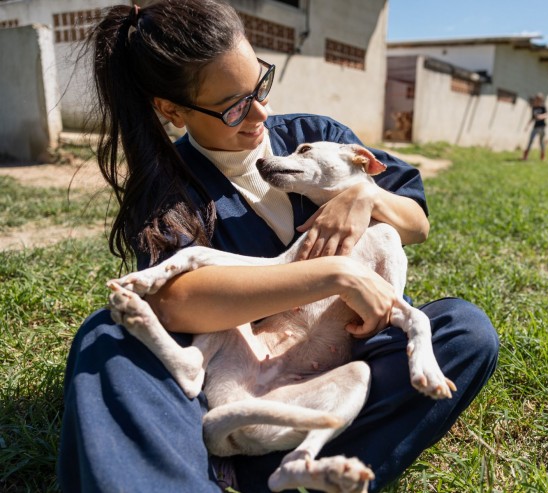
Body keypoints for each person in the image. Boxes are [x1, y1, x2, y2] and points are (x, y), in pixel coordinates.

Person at [56, 1, 499, 491]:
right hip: (235, 377)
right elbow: (176, 301)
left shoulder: (314, 136)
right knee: (108, 338)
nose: (261, 113)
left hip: (339, 362)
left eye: (259, 87)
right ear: (171, 109)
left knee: (464, 332)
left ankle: (273, 476)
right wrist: (336, 274)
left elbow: (416, 222)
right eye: (233, 106)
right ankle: (185, 476)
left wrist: (365, 194)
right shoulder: (169, 185)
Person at [522, 93, 547, 161]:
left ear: (541, 100)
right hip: (535, 127)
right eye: (536, 99)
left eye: (539, 99)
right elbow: (532, 117)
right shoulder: (534, 108)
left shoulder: (543, 107)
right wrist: (527, 125)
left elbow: (546, 115)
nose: (537, 100)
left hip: (542, 127)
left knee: (541, 142)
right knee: (530, 141)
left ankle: (542, 156)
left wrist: (540, 116)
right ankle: (525, 156)